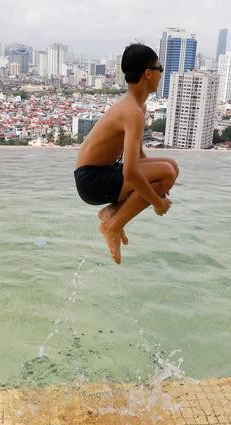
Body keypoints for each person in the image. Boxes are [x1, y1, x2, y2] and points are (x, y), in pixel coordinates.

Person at [74, 43, 179, 264]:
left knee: (170, 168)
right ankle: (112, 226)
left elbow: (138, 157)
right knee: (167, 173)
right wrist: (156, 201)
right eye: (160, 68)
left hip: (99, 174)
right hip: (92, 181)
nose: (162, 73)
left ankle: (112, 213)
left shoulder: (137, 107)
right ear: (148, 73)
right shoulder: (132, 111)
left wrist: (156, 186)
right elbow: (131, 172)